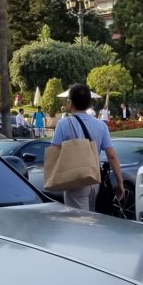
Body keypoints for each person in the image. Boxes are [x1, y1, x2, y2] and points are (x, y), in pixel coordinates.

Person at [51, 83, 124, 211]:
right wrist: (120, 182)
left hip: (75, 180)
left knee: (79, 223)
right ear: (89, 103)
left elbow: (54, 152)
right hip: (94, 180)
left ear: (70, 102)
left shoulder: (63, 124)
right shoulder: (101, 125)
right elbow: (111, 156)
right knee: (92, 220)